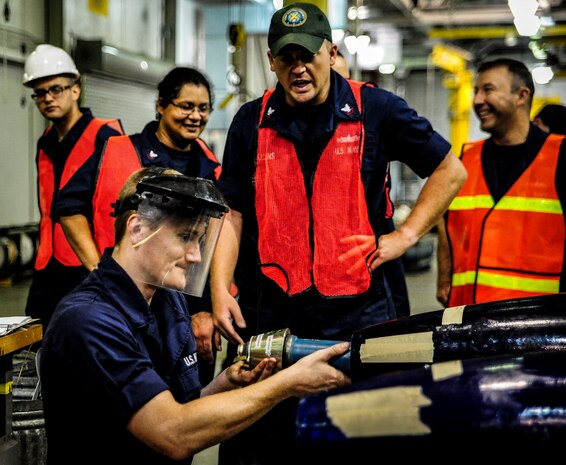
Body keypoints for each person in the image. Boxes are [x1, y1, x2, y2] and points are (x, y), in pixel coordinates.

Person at [210, 3, 467, 464]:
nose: (298, 68)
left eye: (308, 55)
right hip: (274, 312)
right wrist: (219, 288)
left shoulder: (376, 110)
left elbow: (450, 170)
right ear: (271, 62)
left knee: (357, 433)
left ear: (330, 53)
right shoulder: (251, 121)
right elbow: (232, 211)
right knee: (264, 437)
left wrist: (406, 235)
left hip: (358, 314)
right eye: (286, 58)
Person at [40, 168, 351, 465]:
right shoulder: (87, 321)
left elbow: (177, 405)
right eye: (185, 237)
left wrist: (226, 383)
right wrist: (287, 384)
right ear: (136, 230)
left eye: (199, 240)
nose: (196, 256)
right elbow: (171, 431)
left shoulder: (167, 300)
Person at [53, 66, 223, 383]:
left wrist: (207, 310)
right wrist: (97, 269)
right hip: (126, 306)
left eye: (203, 109)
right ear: (161, 105)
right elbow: (67, 207)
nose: (195, 116)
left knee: (189, 400)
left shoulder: (211, 169)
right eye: (186, 106)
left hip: (186, 314)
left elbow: (210, 252)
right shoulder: (117, 150)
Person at [436, 58, 566, 308]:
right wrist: (444, 274)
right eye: (476, 91)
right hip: (471, 321)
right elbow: (446, 220)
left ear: (521, 96)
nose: (477, 101)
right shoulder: (465, 159)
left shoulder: (559, 156)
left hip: (537, 324)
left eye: (488, 90)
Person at [22, 44, 124, 330]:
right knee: (35, 342)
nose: (48, 98)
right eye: (39, 93)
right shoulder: (46, 141)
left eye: (56, 89)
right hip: (48, 264)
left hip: (88, 263)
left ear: (75, 90)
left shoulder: (105, 135)